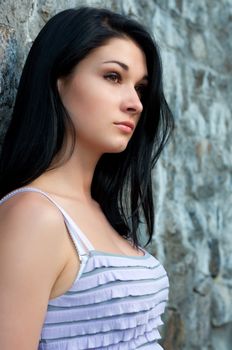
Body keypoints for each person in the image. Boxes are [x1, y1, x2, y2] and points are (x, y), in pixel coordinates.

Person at [0, 6, 174, 350]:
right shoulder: (34, 216)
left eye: (140, 87)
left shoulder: (99, 209)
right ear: (58, 80)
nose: (136, 103)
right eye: (113, 77)